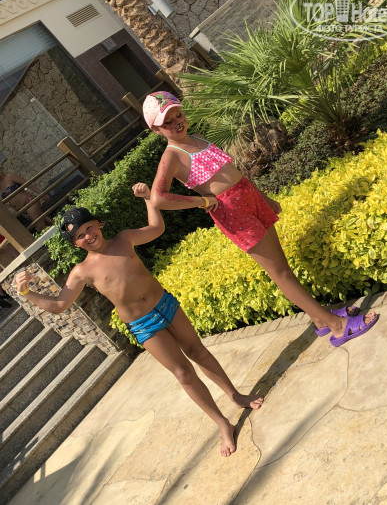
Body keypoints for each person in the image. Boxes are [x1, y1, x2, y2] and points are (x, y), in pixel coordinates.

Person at [15, 183, 263, 457]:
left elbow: (156, 228)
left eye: (89, 228)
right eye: (80, 236)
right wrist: (27, 292)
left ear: (98, 224)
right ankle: (222, 423)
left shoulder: (123, 240)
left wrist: (147, 198)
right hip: (144, 325)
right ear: (75, 244)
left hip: (165, 304)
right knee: (183, 373)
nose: (88, 236)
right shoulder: (81, 271)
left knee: (198, 352)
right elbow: (59, 305)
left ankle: (236, 395)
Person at [143, 91, 378, 347]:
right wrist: (202, 202)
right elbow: (158, 198)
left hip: (249, 196)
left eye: (178, 114)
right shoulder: (171, 156)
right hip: (233, 212)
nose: (177, 122)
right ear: (156, 129)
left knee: (283, 267)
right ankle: (337, 326)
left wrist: (263, 198)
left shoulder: (197, 138)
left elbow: (233, 173)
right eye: (167, 121)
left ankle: (320, 320)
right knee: (280, 273)